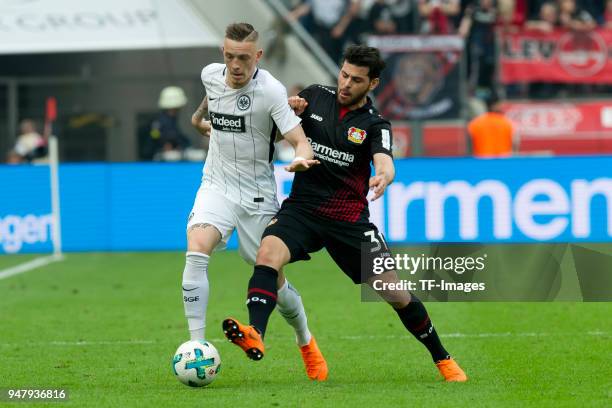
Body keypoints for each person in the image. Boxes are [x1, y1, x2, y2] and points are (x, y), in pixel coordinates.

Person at [222, 45, 468, 382]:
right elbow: (276, 133)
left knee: (394, 292)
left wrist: (384, 175)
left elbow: (385, 160)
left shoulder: (375, 124)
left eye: (356, 79)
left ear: (373, 84)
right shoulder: (313, 96)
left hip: (349, 220)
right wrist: (286, 112)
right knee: (266, 255)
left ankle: (443, 359)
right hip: (303, 210)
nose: (346, 83)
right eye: (343, 74)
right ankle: (256, 333)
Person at [184, 22, 328, 381]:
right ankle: (196, 347)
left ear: (258, 57)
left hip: (257, 194)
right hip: (216, 184)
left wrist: (299, 157)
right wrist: (199, 119)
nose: (236, 65)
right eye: (230, 56)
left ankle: (305, 340)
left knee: (273, 277)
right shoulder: (210, 75)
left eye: (244, 58)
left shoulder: (272, 91)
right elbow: (211, 96)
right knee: (197, 247)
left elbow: (299, 139)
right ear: (223, 53)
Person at [147, 86, 191, 161]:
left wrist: (182, 145)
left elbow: (181, 138)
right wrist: (164, 144)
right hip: (160, 161)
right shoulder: (158, 122)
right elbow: (153, 138)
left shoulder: (172, 121)